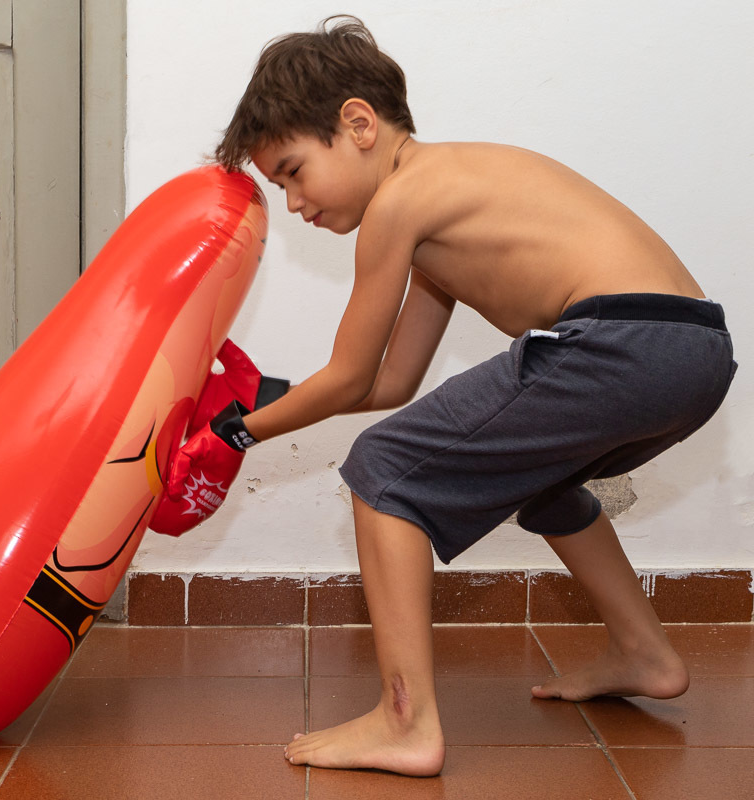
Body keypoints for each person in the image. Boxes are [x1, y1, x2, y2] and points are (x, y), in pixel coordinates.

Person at [152, 15, 737, 777]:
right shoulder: (441, 213)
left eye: (293, 171)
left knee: (381, 469)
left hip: (619, 342)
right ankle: (644, 652)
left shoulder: (403, 203)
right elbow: (391, 381)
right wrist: (267, 399)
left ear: (356, 124)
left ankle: (406, 721)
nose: (293, 202)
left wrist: (234, 431)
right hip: (692, 351)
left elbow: (356, 382)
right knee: (545, 485)